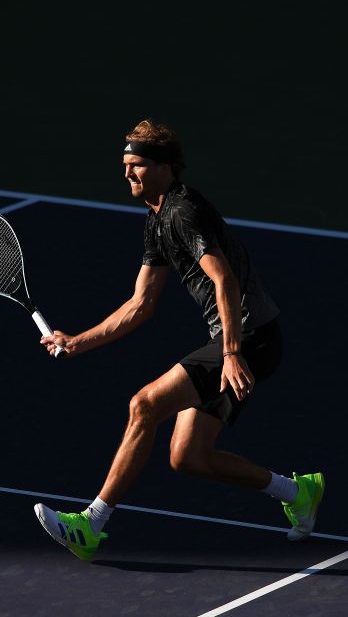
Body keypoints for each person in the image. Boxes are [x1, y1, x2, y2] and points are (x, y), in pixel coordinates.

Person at [33, 120, 324, 561]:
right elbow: (140, 304)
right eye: (125, 165)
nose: (128, 174)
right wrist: (77, 342)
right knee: (189, 457)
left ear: (167, 168)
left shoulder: (184, 212)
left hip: (249, 339)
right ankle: (298, 492)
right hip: (242, 339)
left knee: (143, 405)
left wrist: (230, 352)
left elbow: (223, 279)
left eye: (139, 166)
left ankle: (91, 524)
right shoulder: (155, 220)